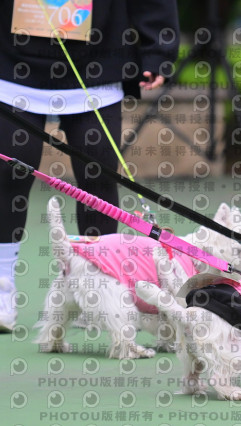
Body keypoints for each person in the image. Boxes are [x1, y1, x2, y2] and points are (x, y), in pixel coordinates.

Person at [0, 0, 180, 331]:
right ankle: (2, 284)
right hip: (12, 58)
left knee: (98, 176)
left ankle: (97, 286)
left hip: (97, 56)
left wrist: (158, 49)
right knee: (10, 171)